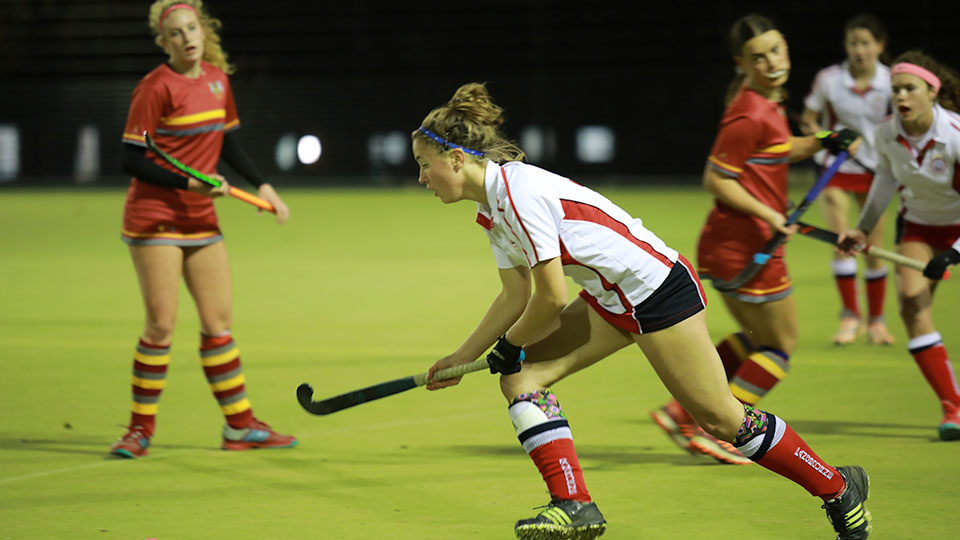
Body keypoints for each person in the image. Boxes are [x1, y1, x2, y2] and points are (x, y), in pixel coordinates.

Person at [415, 79, 871, 539]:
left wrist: (509, 344)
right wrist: (462, 357)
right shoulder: (493, 210)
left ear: (455, 159)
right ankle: (574, 506)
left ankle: (838, 488)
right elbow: (514, 296)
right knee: (520, 377)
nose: (421, 179)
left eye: (424, 165)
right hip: (612, 298)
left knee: (720, 420)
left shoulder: (518, 195)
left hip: (657, 293)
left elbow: (551, 299)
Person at [652, 14, 863, 465]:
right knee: (780, 347)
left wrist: (825, 139)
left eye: (776, 51)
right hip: (747, 248)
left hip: (734, 245)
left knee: (755, 338)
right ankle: (723, 427)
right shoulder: (750, 111)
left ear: (786, 49)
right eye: (758, 57)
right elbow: (716, 178)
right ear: (741, 64)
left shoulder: (766, 107)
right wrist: (771, 214)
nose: (770, 62)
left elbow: (781, 148)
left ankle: (680, 412)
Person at [110, 0, 296, 458]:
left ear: (203, 30)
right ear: (164, 41)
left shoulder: (217, 79)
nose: (186, 38)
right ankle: (139, 430)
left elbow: (226, 141)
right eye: (175, 33)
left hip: (201, 220)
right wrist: (189, 182)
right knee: (161, 327)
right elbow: (130, 157)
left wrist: (265, 187)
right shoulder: (155, 87)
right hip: (156, 218)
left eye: (191, 28)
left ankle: (239, 426)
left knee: (218, 324)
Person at [839, 50, 960, 441]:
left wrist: (955, 252)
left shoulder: (955, 135)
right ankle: (953, 407)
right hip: (921, 229)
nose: (902, 97)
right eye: (896, 90)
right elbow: (885, 183)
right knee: (911, 303)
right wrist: (862, 229)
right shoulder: (887, 133)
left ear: (932, 92)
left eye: (910, 88)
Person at [800, 14, 895, 346]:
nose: (860, 50)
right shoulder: (829, 80)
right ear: (846, 46)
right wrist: (829, 137)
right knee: (842, 243)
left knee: (872, 248)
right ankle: (850, 318)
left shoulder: (891, 82)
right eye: (854, 43)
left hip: (876, 172)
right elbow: (809, 121)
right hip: (836, 170)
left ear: (880, 46)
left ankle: (877, 322)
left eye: (866, 43)